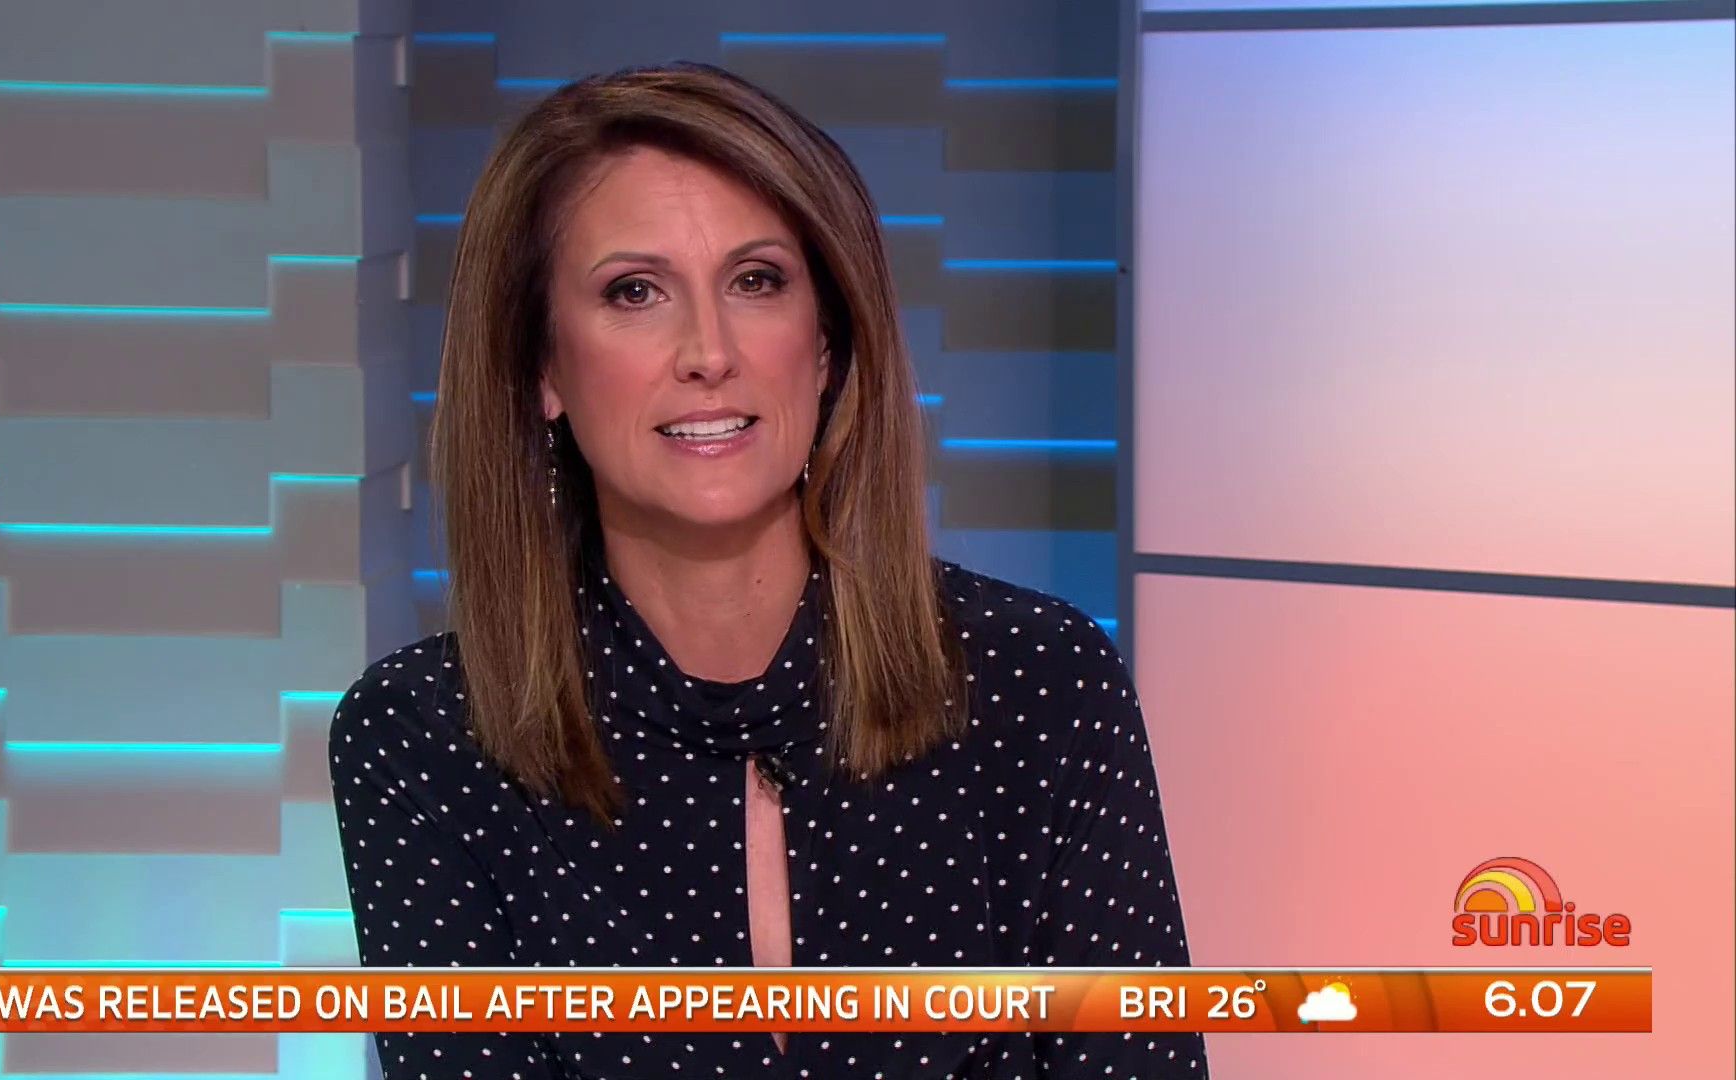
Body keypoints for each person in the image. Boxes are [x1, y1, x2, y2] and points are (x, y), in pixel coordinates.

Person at [328, 61, 1207, 1079]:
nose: (709, 352)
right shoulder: (426, 740)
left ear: (824, 345)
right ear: (544, 367)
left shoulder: (1040, 681)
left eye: (756, 282)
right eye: (634, 292)